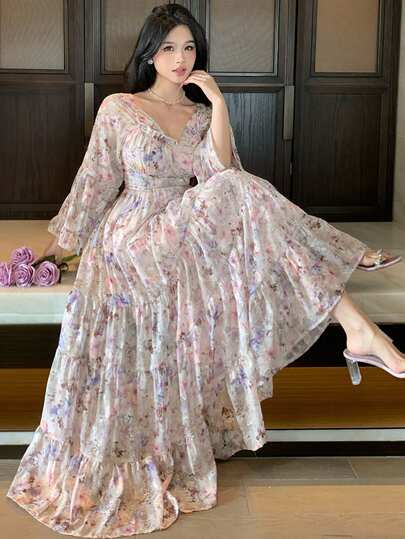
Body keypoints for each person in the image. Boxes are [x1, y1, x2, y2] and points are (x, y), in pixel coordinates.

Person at [6, 3, 405, 537]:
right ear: (149, 54)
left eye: (189, 47)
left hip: (179, 226)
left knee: (240, 190)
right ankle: (351, 289)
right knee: (241, 195)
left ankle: (355, 323)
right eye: (169, 47)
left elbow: (221, 175)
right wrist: (57, 250)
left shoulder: (198, 115)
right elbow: (94, 184)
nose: (180, 58)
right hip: (132, 238)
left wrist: (217, 103)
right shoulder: (119, 108)